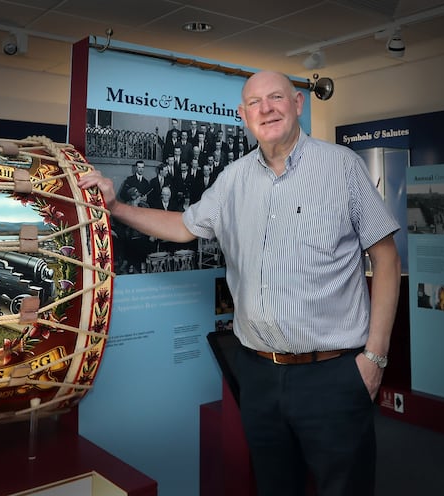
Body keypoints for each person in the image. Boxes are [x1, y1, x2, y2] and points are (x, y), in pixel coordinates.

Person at [79, 70, 401, 496]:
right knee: (273, 487)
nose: (266, 108)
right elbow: (182, 227)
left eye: (276, 98)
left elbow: (387, 258)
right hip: (260, 374)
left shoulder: (341, 167)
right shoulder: (233, 178)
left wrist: (374, 360)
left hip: (333, 375)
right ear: (243, 115)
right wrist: (116, 205)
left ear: (298, 104)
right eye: (255, 102)